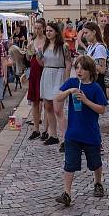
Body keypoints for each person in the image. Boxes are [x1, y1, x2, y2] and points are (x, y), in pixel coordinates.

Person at [54, 55, 108, 207]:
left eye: (83, 68)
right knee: (69, 163)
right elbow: (58, 97)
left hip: (90, 133)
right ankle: (67, 193)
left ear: (90, 71)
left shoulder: (95, 88)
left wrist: (85, 101)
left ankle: (98, 183)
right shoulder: (72, 83)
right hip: (73, 133)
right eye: (77, 68)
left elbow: (102, 109)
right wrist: (69, 91)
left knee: (95, 162)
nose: (79, 71)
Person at [39, 22, 71, 150]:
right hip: (47, 74)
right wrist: (37, 57)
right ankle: (53, 135)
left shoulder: (63, 46)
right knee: (48, 107)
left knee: (58, 109)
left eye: (50, 30)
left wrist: (67, 80)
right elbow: (42, 63)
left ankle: (66, 139)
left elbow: (68, 63)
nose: (48, 33)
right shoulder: (44, 46)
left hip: (59, 75)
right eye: (46, 31)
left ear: (56, 32)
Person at [27, 21, 46, 137]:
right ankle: (36, 128)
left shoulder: (46, 40)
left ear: (43, 28)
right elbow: (29, 57)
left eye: (39, 28)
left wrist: (38, 53)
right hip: (34, 69)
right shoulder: (32, 41)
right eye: (36, 28)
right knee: (35, 100)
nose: (37, 30)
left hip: (43, 69)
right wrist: (29, 51)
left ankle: (46, 128)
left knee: (45, 100)